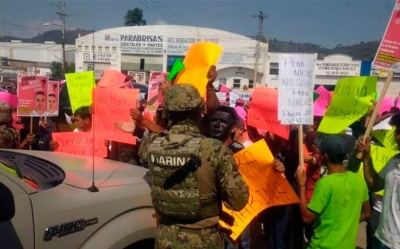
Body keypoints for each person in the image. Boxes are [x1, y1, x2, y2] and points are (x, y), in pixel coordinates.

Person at [139, 84, 249, 249]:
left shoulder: (150, 144)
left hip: (165, 239)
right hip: (203, 241)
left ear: (167, 113)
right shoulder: (214, 149)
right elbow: (238, 201)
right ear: (200, 114)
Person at [296, 134, 370, 249]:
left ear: (324, 156)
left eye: (320, 153)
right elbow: (366, 213)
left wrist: (301, 185)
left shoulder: (325, 184)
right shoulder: (359, 180)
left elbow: (307, 217)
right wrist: (345, 223)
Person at [358, 112, 400, 249]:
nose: (396, 136)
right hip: (381, 237)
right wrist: (366, 157)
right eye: (396, 132)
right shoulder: (394, 161)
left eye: (399, 132)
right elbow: (374, 184)